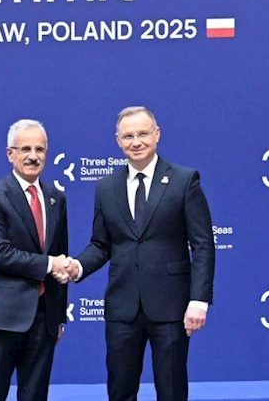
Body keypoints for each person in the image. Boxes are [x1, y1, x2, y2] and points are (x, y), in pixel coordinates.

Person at [58, 106, 215, 401]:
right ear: (118, 141)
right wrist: (77, 267)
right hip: (122, 307)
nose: (136, 141)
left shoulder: (184, 181)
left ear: (157, 135)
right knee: (120, 390)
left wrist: (199, 301)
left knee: (171, 391)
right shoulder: (106, 187)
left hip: (171, 306)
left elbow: (203, 244)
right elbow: (101, 244)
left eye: (143, 133)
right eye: (128, 136)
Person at [0, 119, 71, 401]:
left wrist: (58, 317)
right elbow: (0, 254)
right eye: (25, 149)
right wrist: (50, 264)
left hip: (44, 318)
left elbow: (60, 253)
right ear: (10, 154)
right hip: (1, 318)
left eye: (40, 149)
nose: (33, 156)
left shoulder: (56, 199)